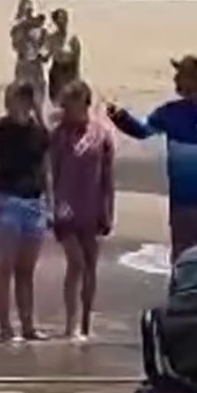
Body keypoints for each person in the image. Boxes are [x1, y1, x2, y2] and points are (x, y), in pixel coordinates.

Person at [105, 54, 197, 262]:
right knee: (182, 262)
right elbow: (143, 131)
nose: (175, 80)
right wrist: (120, 117)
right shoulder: (170, 112)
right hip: (181, 205)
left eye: (180, 75)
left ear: (195, 79)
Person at [0, 81, 53, 343]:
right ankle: (5, 328)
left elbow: (46, 173)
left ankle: (28, 325)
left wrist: (51, 207)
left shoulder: (41, 134)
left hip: (34, 204)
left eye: (18, 99)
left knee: (26, 270)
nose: (12, 104)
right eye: (10, 99)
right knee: (4, 268)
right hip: (5, 202)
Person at [48, 79, 115, 341]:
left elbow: (108, 177)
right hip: (64, 210)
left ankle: (86, 323)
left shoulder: (101, 135)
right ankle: (70, 324)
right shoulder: (59, 135)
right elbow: (50, 173)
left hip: (92, 209)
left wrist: (108, 210)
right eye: (65, 106)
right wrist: (53, 206)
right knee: (75, 263)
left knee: (90, 267)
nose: (68, 111)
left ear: (84, 104)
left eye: (72, 105)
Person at [10, 0, 47, 108]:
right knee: (22, 92)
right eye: (26, 10)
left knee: (39, 92)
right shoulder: (18, 28)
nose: (29, 13)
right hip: (23, 62)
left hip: (35, 63)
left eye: (30, 10)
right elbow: (16, 44)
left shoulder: (38, 29)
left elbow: (43, 44)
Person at [45, 8, 82, 105]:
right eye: (58, 20)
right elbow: (47, 56)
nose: (61, 23)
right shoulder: (52, 38)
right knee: (56, 99)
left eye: (63, 19)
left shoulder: (73, 37)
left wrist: (76, 76)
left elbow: (77, 57)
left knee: (70, 98)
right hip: (57, 70)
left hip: (69, 70)